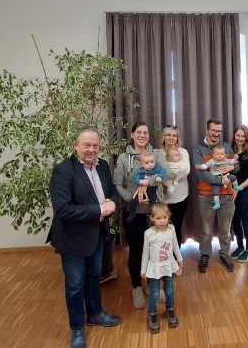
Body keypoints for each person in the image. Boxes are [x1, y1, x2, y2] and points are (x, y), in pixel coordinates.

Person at [47, 127, 122, 348]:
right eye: (86, 145)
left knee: (94, 277)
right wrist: (99, 209)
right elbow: (63, 209)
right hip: (72, 239)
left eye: (95, 145)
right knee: (75, 285)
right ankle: (77, 328)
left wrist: (112, 202)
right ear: (76, 146)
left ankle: (95, 314)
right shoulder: (63, 170)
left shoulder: (103, 165)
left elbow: (112, 191)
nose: (91, 149)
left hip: (96, 235)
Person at [113, 121, 165, 309]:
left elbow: (165, 174)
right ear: (132, 135)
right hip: (134, 211)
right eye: (139, 132)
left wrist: (146, 184)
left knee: (154, 250)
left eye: (146, 132)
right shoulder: (123, 158)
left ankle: (152, 284)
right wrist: (132, 197)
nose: (142, 135)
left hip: (155, 212)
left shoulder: (156, 154)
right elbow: (117, 183)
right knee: (136, 251)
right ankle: (136, 287)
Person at [193, 118, 239, 273]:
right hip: (206, 196)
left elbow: (237, 167)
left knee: (225, 230)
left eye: (219, 131)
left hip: (226, 196)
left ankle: (225, 254)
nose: (216, 133)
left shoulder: (227, 147)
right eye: (213, 130)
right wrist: (220, 180)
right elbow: (201, 173)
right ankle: (205, 254)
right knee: (206, 230)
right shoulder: (199, 149)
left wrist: (232, 167)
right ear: (207, 130)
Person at [141, 202, 184, 334]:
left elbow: (175, 245)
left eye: (164, 217)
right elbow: (145, 253)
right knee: (154, 293)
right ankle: (152, 313)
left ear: (168, 216)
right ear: (152, 218)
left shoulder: (171, 229)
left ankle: (170, 309)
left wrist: (179, 258)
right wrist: (143, 269)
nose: (162, 221)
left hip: (168, 266)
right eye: (158, 218)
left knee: (169, 291)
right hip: (154, 268)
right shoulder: (148, 233)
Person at [154, 125, 191, 248]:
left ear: (177, 138)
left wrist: (164, 176)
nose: (171, 137)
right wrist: (173, 175)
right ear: (164, 137)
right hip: (162, 199)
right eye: (168, 135)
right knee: (161, 229)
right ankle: (163, 255)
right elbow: (154, 174)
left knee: (176, 227)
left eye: (174, 135)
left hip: (180, 197)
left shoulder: (183, 152)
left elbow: (186, 171)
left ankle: (176, 255)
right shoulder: (157, 153)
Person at [229, 125, 248, 263]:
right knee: (235, 221)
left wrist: (238, 188)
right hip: (232, 193)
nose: (240, 138)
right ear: (234, 135)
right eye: (238, 135)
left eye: (243, 136)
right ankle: (240, 247)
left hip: (246, 193)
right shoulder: (230, 151)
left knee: (245, 220)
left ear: (246, 137)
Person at [195, 144, 242, 210]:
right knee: (216, 191)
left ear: (224, 155)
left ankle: (236, 186)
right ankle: (217, 203)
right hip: (216, 178)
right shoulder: (212, 161)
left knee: (233, 177)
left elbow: (232, 162)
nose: (220, 155)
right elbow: (206, 166)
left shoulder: (225, 160)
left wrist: (235, 158)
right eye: (218, 154)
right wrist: (200, 167)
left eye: (222, 154)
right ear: (213, 155)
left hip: (225, 175)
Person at [127, 151, 168, 222]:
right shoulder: (140, 171)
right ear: (141, 164)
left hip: (153, 189)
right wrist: (140, 181)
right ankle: (132, 214)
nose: (150, 164)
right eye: (147, 163)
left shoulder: (156, 169)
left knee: (153, 201)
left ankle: (150, 215)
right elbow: (135, 178)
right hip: (142, 191)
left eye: (152, 162)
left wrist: (160, 176)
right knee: (133, 201)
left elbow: (164, 171)